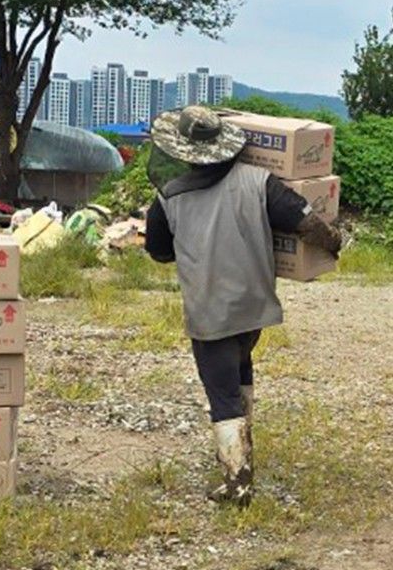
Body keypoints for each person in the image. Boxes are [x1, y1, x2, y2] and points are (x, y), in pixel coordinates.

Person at [144, 106, 341, 507]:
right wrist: (334, 242)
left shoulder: (168, 199)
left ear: (182, 153)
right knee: (240, 372)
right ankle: (244, 464)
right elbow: (305, 222)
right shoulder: (260, 182)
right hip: (254, 310)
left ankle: (238, 485)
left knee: (222, 395)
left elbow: (158, 252)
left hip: (210, 313)